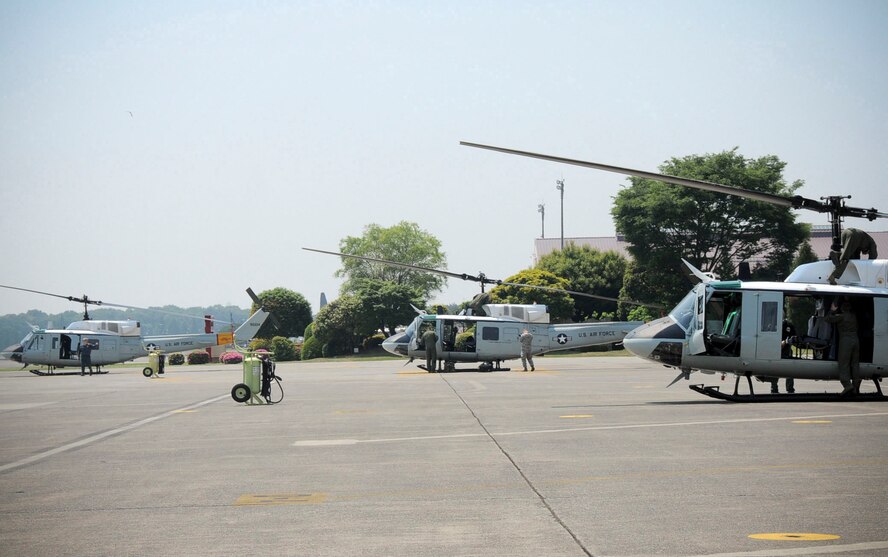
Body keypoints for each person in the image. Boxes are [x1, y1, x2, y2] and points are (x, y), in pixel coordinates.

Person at [825, 300, 860, 395]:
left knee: (844, 364)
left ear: (842, 308)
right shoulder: (854, 316)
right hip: (856, 340)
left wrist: (832, 310)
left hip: (846, 341)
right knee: (855, 364)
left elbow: (828, 319)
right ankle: (856, 386)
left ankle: (847, 385)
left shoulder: (841, 316)